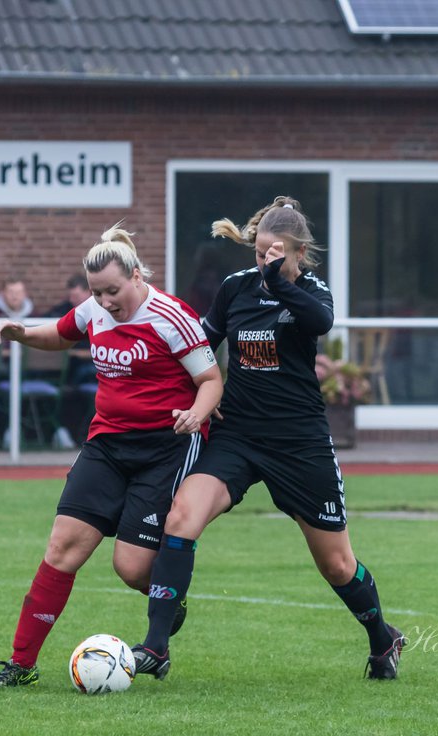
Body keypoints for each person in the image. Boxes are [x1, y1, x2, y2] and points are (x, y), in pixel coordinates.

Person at [130, 196, 407, 682]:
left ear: (300, 253)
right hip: (238, 436)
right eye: (259, 252)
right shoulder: (236, 288)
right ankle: (156, 647)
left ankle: (383, 639)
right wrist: (199, 398)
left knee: (337, 565)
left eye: (276, 254)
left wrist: (280, 280)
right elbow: (201, 344)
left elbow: (320, 324)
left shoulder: (314, 291)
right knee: (181, 517)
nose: (264, 262)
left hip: (300, 445)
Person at [0, 226, 223, 689]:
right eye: (97, 292)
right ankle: (20, 663)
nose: (105, 301)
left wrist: (196, 413)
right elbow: (61, 333)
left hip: (164, 448)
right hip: (107, 445)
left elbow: (211, 380)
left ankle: (167, 599)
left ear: (135, 275)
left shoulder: (172, 316)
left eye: (113, 290)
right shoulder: (94, 308)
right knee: (62, 547)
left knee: (131, 568)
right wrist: (20, 333)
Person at [50, 273, 99, 447]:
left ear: (89, 293)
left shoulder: (101, 311)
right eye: (70, 296)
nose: (72, 300)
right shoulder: (63, 311)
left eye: (76, 296)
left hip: (94, 368)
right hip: (69, 370)